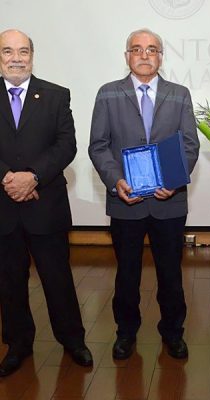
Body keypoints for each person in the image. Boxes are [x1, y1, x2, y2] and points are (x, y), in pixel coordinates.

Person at [88, 28, 199, 360]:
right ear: (127, 56)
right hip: (126, 201)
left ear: (161, 56)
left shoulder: (179, 94)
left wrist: (174, 179)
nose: (145, 55)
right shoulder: (108, 93)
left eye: (152, 49)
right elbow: (99, 145)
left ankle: (173, 333)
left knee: (171, 274)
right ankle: (125, 333)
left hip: (170, 202)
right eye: (137, 49)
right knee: (126, 275)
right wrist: (115, 180)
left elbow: (190, 145)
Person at [0, 29, 93, 377]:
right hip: (3, 204)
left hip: (46, 204)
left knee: (58, 278)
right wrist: (8, 178)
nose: (16, 58)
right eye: (7, 51)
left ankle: (73, 341)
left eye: (23, 51)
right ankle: (17, 344)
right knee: (9, 281)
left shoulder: (55, 95)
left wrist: (32, 177)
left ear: (32, 56)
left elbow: (66, 145)